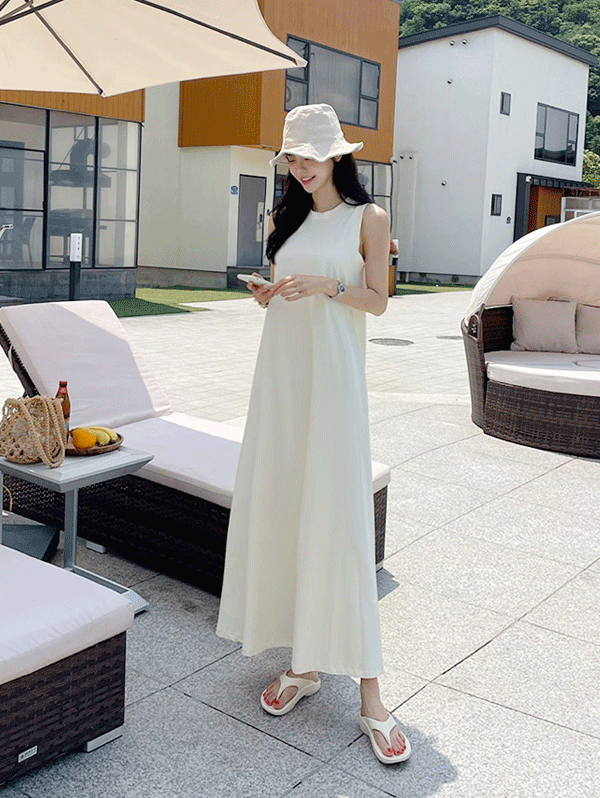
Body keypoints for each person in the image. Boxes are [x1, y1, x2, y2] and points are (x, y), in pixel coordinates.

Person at [216, 104, 410, 765]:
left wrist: (330, 285)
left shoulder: (369, 217)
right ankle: (304, 664)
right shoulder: (284, 219)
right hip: (282, 379)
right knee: (288, 508)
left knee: (339, 521)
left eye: (310, 156)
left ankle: (372, 695)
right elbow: (281, 290)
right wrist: (266, 294)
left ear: (337, 156)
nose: (300, 168)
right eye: (292, 158)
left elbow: (378, 301)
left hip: (333, 385)